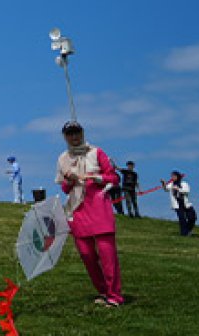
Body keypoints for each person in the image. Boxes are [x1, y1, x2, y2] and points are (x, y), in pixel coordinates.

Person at [55, 120, 123, 307]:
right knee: (86, 255)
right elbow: (65, 188)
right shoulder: (63, 158)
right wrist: (70, 180)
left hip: (99, 207)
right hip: (77, 211)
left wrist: (96, 178)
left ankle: (114, 296)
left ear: (82, 133)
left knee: (108, 255)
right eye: (70, 134)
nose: (74, 137)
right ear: (65, 137)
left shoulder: (96, 152)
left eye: (76, 132)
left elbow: (114, 177)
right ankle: (103, 290)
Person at [162, 171, 196, 237]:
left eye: (174, 176)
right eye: (172, 176)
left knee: (192, 217)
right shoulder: (171, 184)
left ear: (178, 176)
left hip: (186, 203)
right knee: (182, 219)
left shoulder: (184, 183)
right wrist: (163, 184)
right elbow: (166, 189)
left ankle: (188, 230)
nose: (172, 177)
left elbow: (187, 191)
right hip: (177, 204)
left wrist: (178, 189)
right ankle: (184, 234)